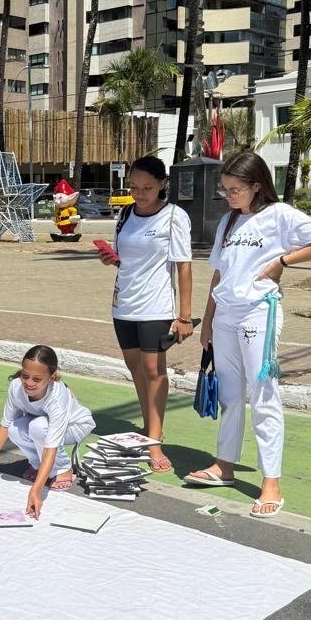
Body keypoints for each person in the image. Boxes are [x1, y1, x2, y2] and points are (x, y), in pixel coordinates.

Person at [185, 150, 311, 518]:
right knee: (230, 394)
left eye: (235, 189)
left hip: (259, 312)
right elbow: (219, 273)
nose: (229, 196)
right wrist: (207, 321)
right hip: (224, 316)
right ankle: (224, 464)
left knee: (263, 395)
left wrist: (283, 261)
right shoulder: (228, 221)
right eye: (224, 190)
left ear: (257, 186)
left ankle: (271, 481)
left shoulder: (280, 216)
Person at [98, 155, 194, 472]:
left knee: (154, 370)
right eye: (135, 187)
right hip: (123, 303)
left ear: (162, 184)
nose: (140, 193)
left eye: (147, 187)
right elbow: (124, 257)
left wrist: (184, 316)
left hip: (156, 306)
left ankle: (154, 441)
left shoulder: (173, 217)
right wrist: (110, 259)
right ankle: (150, 425)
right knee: (135, 367)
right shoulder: (125, 214)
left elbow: (183, 267)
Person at [0, 345, 95, 518]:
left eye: (37, 379)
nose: (29, 383)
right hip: (42, 424)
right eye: (25, 376)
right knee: (15, 427)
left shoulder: (57, 397)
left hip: (76, 425)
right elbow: (5, 425)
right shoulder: (15, 387)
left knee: (38, 426)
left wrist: (36, 490)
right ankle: (37, 465)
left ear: (52, 377)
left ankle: (63, 469)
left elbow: (51, 446)